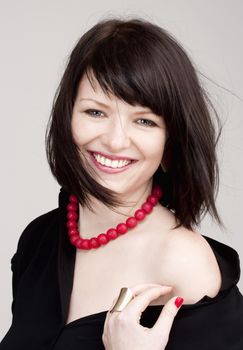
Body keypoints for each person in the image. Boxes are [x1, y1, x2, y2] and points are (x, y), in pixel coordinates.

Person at [1, 18, 243, 350]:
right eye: (96, 113)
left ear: (169, 140)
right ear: (67, 117)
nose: (115, 141)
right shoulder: (39, 240)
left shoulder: (183, 262)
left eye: (144, 120)